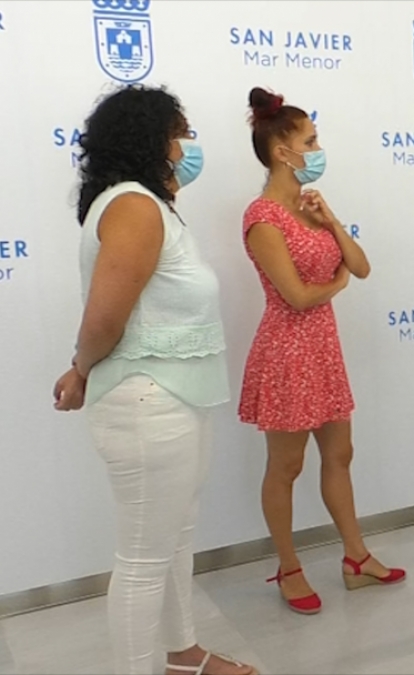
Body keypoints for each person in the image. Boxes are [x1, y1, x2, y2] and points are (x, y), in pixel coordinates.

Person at [52, 85, 256, 675]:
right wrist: (81, 369)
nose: (187, 147)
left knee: (174, 539)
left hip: (175, 396)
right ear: (151, 140)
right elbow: (104, 319)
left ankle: (182, 655)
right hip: (148, 400)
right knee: (143, 561)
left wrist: (82, 367)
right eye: (180, 133)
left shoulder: (149, 206)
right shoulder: (133, 206)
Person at [239, 87, 404, 615]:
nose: (317, 148)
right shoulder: (263, 217)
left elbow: (362, 266)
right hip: (287, 352)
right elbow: (297, 296)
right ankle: (289, 568)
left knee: (340, 455)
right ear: (282, 152)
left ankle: (356, 557)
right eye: (310, 141)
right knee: (286, 466)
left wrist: (330, 220)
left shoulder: (311, 206)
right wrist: (335, 284)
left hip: (323, 351)